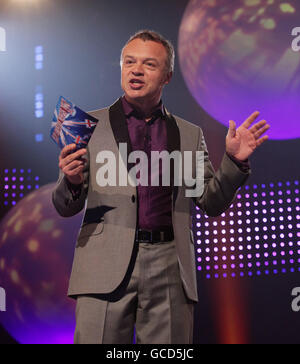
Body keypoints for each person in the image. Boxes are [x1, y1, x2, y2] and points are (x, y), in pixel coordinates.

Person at [52, 30, 270, 344]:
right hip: (103, 267)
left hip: (170, 267)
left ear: (167, 76)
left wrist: (234, 162)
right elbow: (64, 205)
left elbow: (210, 202)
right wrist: (71, 181)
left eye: (148, 64)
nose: (136, 70)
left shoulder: (189, 133)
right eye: (129, 62)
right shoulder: (86, 126)